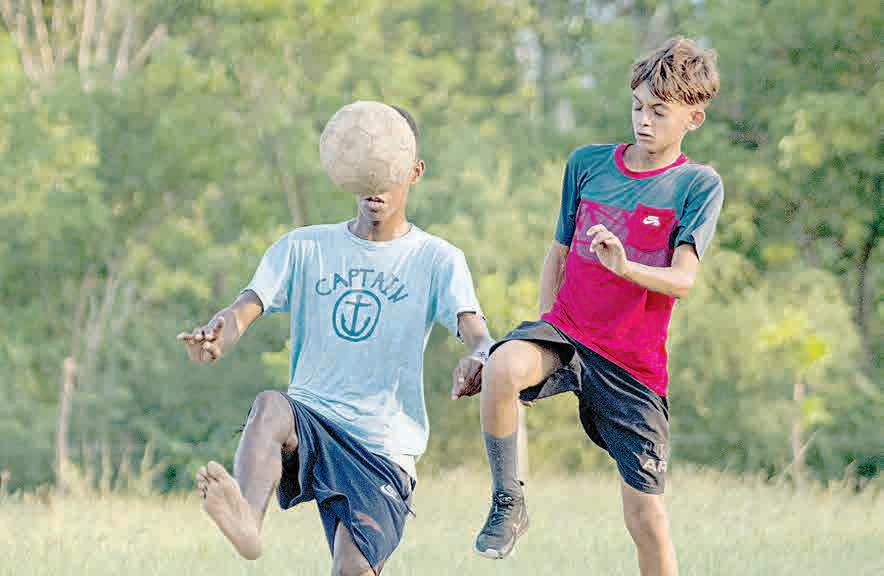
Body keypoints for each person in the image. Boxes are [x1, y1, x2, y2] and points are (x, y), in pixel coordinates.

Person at [178, 105, 492, 576]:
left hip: (382, 448)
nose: (374, 179)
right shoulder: (304, 247)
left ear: (414, 172)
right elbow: (243, 309)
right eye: (363, 161)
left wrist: (481, 357)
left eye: (387, 166)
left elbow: (478, 335)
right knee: (271, 406)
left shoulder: (436, 258)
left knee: (352, 570)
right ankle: (246, 521)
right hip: (314, 420)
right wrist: (217, 335)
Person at [473, 37, 724, 576]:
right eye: (637, 106)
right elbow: (558, 253)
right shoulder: (587, 164)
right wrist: (543, 323)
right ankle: (508, 502)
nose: (643, 121)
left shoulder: (697, 185)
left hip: (633, 367)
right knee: (502, 365)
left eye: (659, 111)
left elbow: (682, 281)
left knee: (646, 519)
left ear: (694, 118)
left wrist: (625, 267)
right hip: (567, 333)